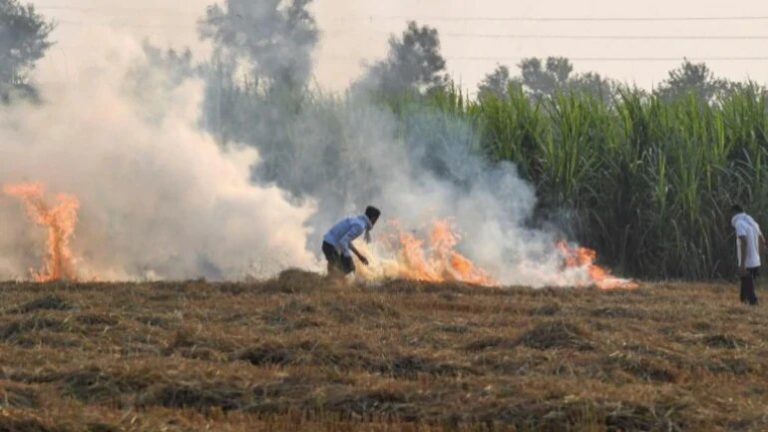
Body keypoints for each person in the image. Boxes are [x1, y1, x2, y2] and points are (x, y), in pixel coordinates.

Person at [322, 206, 381, 280]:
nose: (376, 222)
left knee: (338, 269)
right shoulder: (360, 226)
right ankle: (334, 284)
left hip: (328, 244)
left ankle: (330, 281)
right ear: (373, 218)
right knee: (349, 268)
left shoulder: (357, 220)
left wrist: (359, 256)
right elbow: (343, 242)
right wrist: (348, 257)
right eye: (376, 219)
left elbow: (347, 241)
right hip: (330, 246)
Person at [730, 205, 765, 306]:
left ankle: (754, 303)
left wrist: (742, 264)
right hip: (755, 261)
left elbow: (744, 242)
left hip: (748, 262)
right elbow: (762, 241)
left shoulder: (739, 223)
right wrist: (758, 256)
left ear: (733, 213)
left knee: (750, 294)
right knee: (744, 295)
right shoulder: (752, 222)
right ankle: (744, 303)